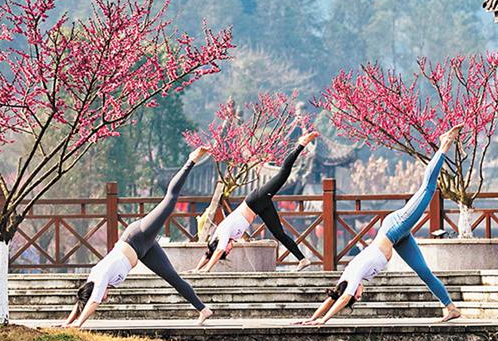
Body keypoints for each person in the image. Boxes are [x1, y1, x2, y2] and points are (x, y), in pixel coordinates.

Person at [297, 125, 463, 325]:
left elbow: (342, 299)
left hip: (396, 226)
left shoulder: (353, 278)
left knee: (427, 188)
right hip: (398, 238)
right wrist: (311, 319)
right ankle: (451, 309)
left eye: (356, 296)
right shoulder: (346, 280)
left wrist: (324, 321)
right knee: (424, 272)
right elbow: (332, 298)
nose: (359, 295)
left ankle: (445, 143)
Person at [60, 146, 213, 328]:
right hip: (143, 251)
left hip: (137, 236)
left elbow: (93, 302)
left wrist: (78, 325)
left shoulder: (99, 279)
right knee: (172, 278)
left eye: (101, 297)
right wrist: (66, 323)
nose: (104, 298)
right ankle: (204, 310)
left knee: (170, 199)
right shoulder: (93, 282)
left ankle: (191, 160)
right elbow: (81, 302)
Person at [194, 132, 319, 273]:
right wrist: (196, 270)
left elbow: (218, 251)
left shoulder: (222, 234)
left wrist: (207, 270)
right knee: (279, 233)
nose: (229, 250)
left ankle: (301, 144)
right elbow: (209, 253)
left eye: (227, 251)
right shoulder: (222, 239)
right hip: (259, 208)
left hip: (255, 200)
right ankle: (303, 260)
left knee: (283, 174)